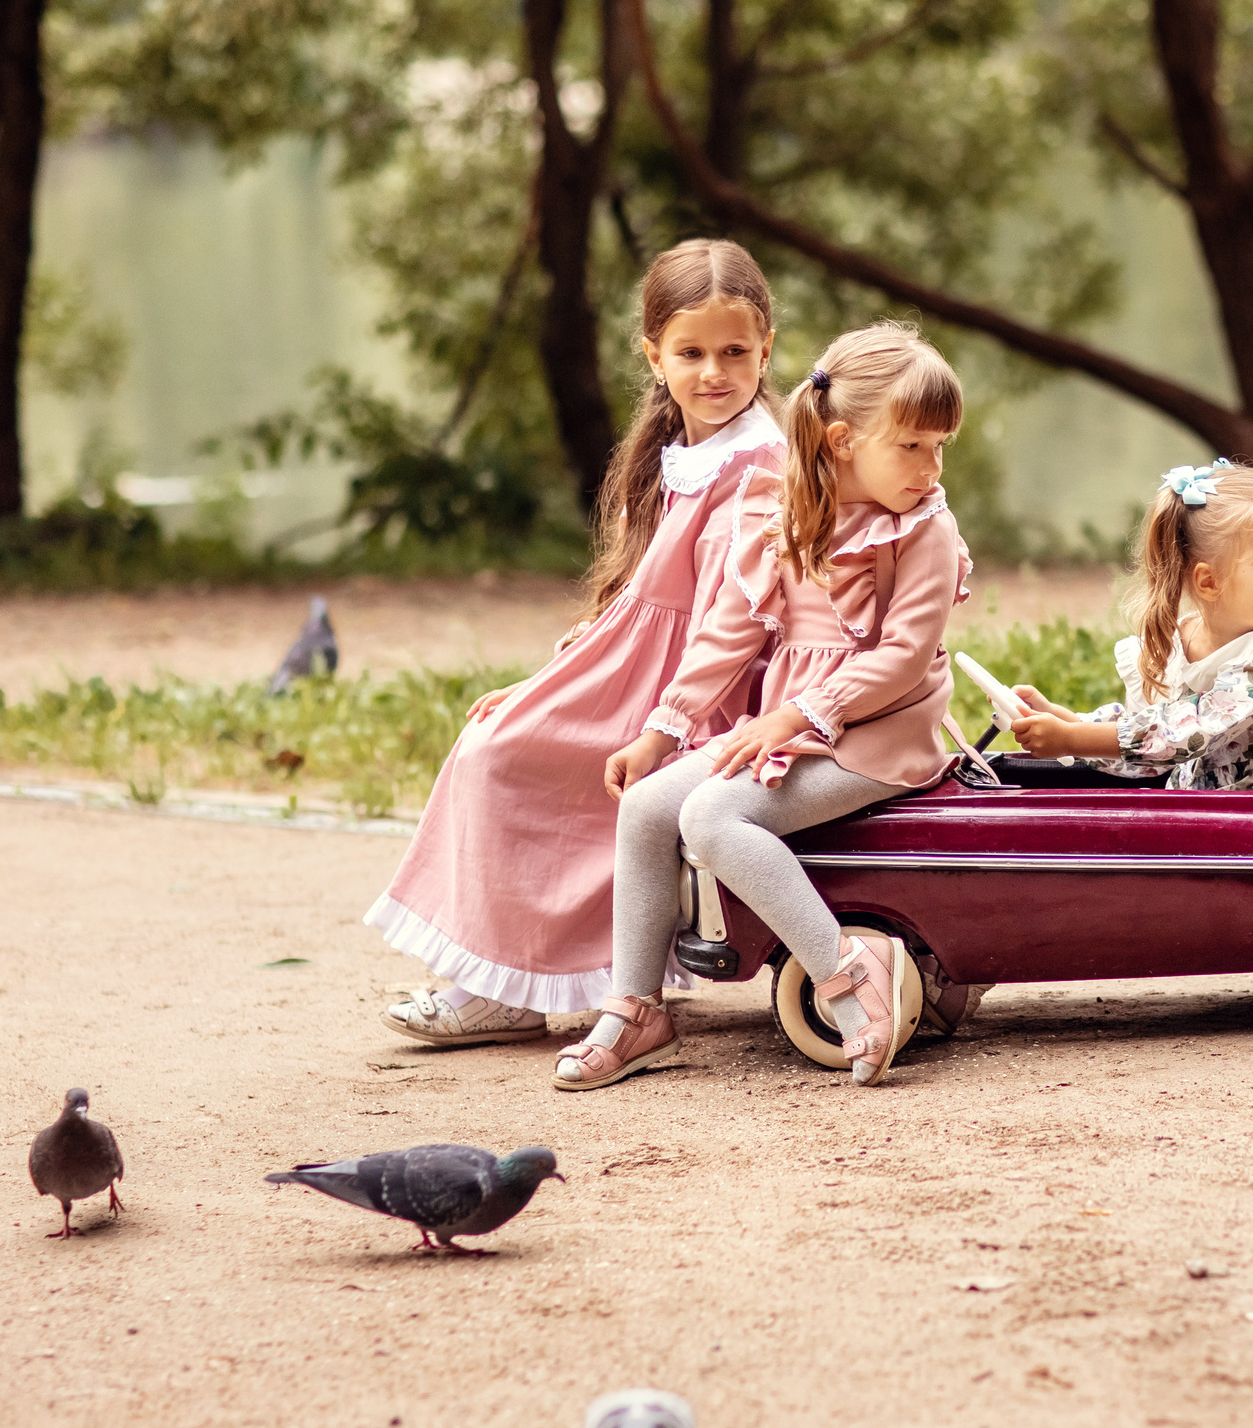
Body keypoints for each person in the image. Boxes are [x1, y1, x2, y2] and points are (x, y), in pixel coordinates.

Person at [366, 239, 786, 1043]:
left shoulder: (760, 466)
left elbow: (729, 622)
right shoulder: (682, 452)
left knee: (503, 759)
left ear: (766, 348)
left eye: (736, 352)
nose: (714, 373)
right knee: (494, 735)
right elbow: (640, 597)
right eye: (691, 352)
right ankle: (497, 975)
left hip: (697, 686)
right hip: (636, 665)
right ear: (653, 354)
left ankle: (514, 980)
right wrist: (555, 675)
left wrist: (664, 723)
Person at [555, 322, 971, 1091]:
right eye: (913, 446)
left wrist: (799, 716)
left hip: (875, 737)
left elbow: (902, 658)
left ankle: (846, 970)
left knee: (713, 817)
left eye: (940, 446)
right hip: (794, 725)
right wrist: (664, 728)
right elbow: (730, 632)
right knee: (649, 806)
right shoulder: (786, 510)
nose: (931, 466)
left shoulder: (925, 530)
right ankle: (636, 1007)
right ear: (843, 440)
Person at [1007, 460, 1253, 790]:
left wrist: (1069, 739)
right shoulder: (1182, 640)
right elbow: (1149, 743)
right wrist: (1067, 721)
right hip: (1211, 803)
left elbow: (1183, 734)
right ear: (1209, 581)